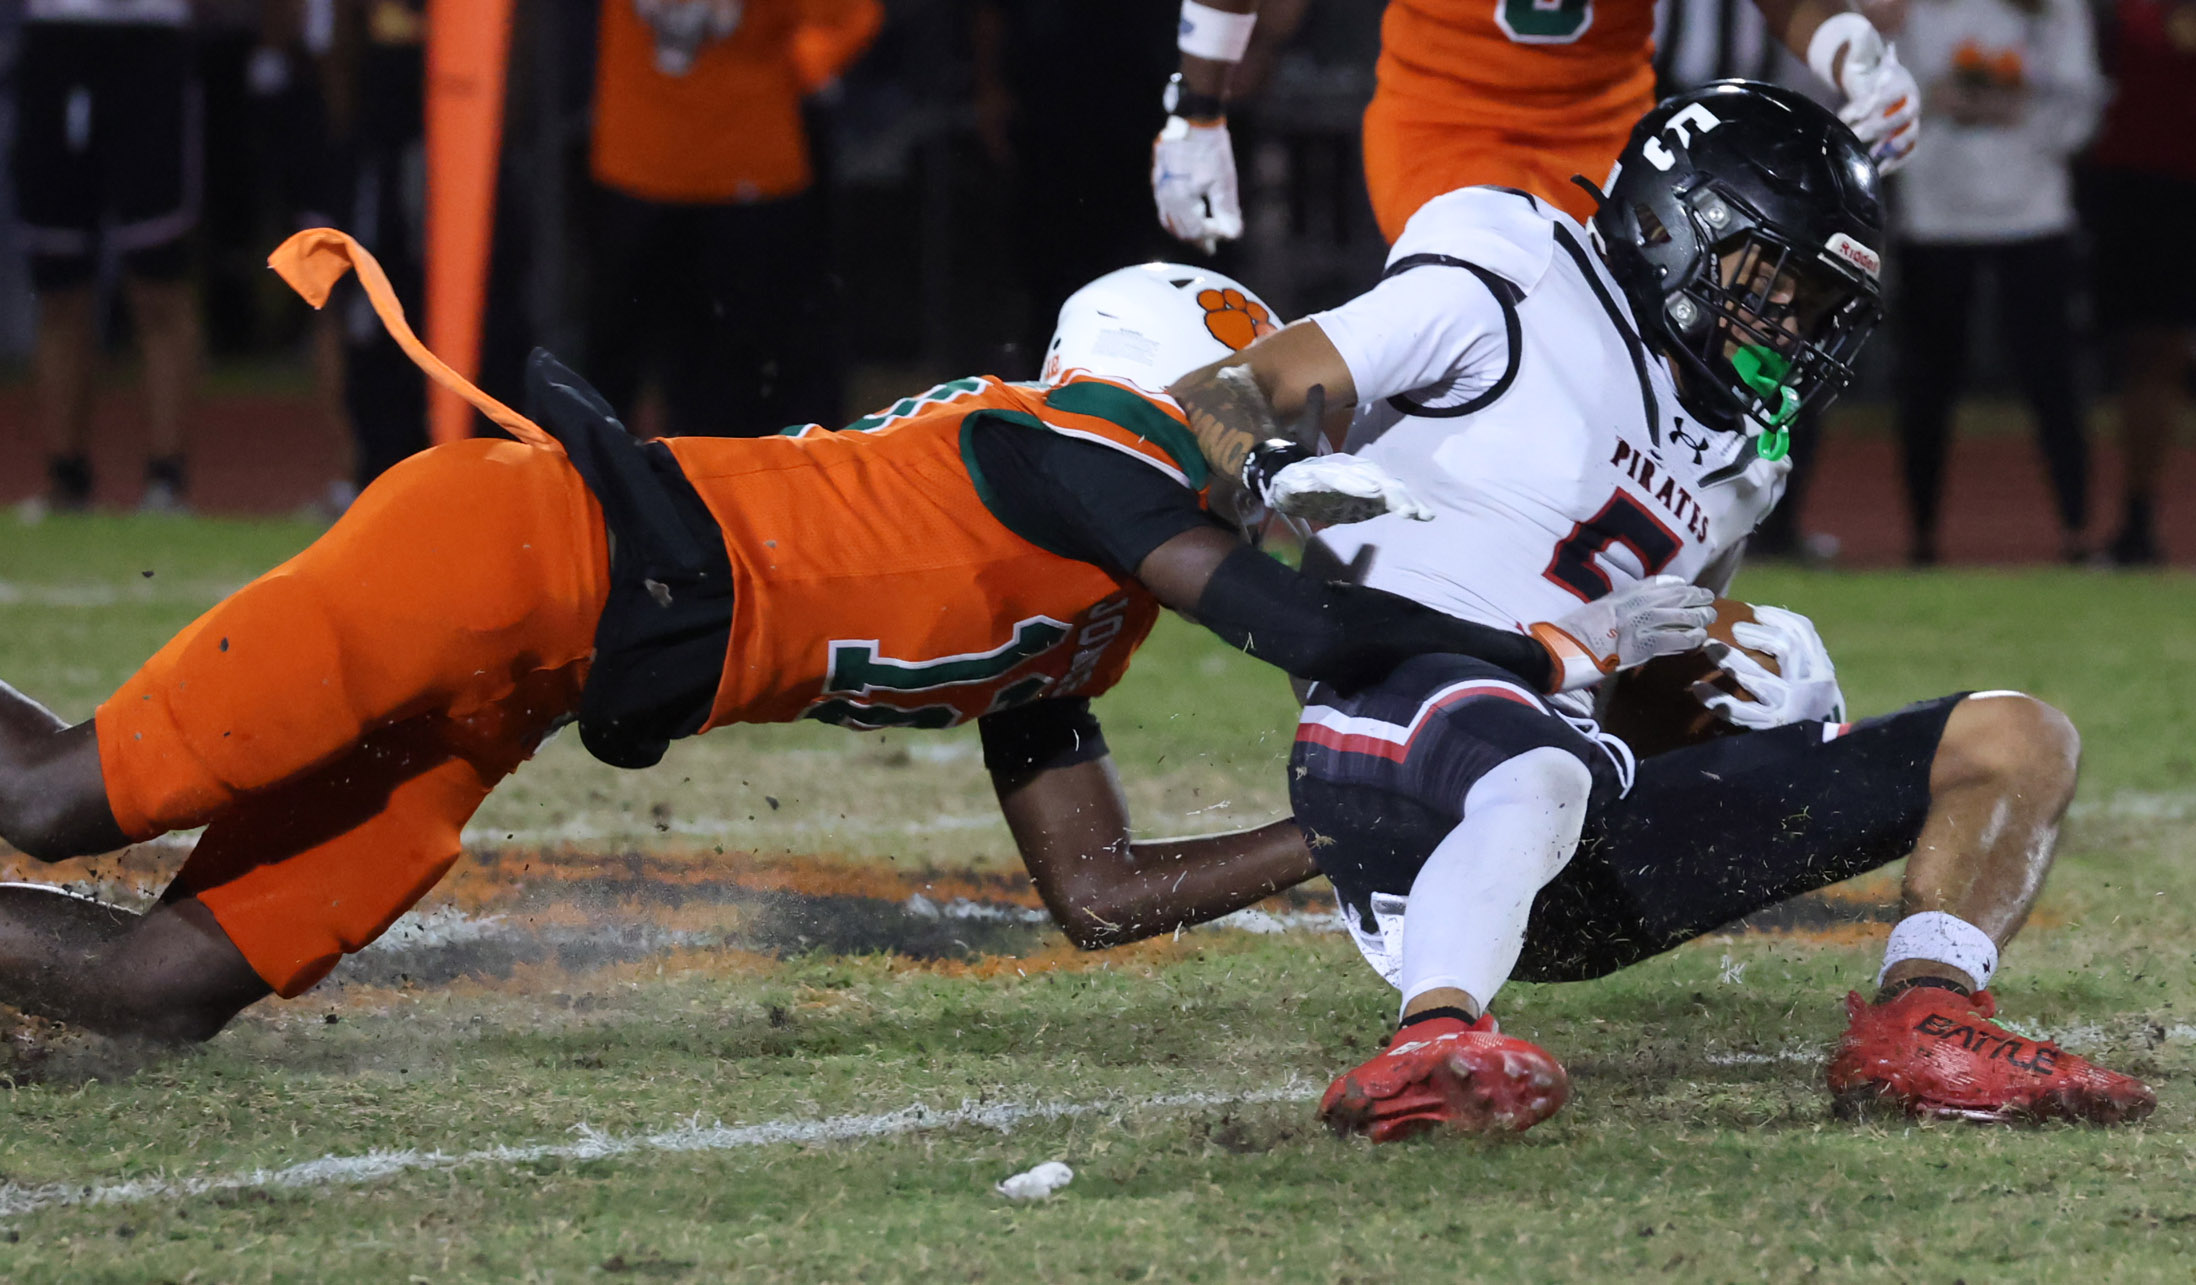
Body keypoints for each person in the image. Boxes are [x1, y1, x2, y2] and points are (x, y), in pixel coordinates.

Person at [0, 229, 1707, 1047]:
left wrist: (1339, 825)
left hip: (528, 683)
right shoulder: (1064, 451)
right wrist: (1544, 650)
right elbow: (1303, 624)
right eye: (1246, 411)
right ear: (1165, 380)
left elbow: (1098, 893)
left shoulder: (1090, 610)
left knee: (164, 989)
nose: (1261, 450)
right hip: (500, 555)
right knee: (58, 803)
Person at [1164, 82, 2154, 1138]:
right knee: (1537, 765)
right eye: (1774, 279)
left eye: (1816, 305)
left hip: (1573, 833)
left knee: (2016, 740)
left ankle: (1926, 1018)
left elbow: (1629, 697)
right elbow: (1218, 392)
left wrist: (1743, 697)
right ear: (1677, 223)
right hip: (1391, 748)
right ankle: (1433, 1035)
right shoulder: (1517, 271)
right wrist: (1279, 475)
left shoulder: (1744, 459)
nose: (1788, 324)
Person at [1150, 0, 1922, 252]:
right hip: (1443, 124)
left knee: (1639, 375)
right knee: (1472, 324)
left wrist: (1860, 59)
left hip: (1607, 131)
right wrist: (1197, 113)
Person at [584, 0, 880, 436]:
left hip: (746, 171)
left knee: (752, 380)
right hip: (642, 164)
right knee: (612, 369)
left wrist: (802, 65)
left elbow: (849, 17)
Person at [1889, 0, 2104, 565]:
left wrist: (2018, 119)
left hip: (2036, 212)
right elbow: (1885, 91)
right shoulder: (1910, 8)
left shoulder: (2055, 9)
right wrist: (1939, 110)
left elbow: (2080, 99)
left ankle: (2077, 530)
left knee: (2051, 377)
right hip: (1934, 213)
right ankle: (1922, 535)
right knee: (1928, 380)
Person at [12, 0, 203, 511]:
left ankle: (167, 479)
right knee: (59, 283)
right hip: (58, 37)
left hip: (149, 40)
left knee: (158, 278)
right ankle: (66, 475)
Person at [2083, 0, 2196, 566]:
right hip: (2142, 195)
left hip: (2162, 189)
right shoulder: (2125, 14)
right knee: (2148, 356)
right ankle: (2139, 519)